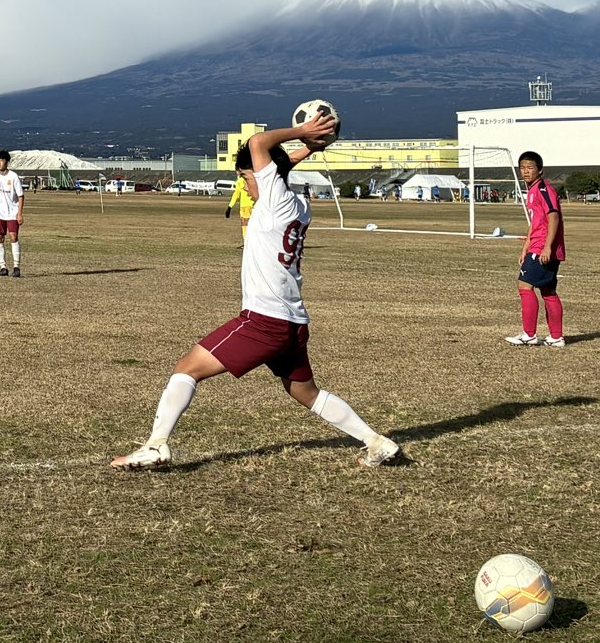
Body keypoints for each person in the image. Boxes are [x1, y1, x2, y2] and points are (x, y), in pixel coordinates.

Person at [113, 111, 400, 470]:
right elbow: (278, 167)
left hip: (264, 321)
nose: (246, 185)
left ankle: (156, 446)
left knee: (186, 368)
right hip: (293, 323)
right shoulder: (298, 205)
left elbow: (257, 143)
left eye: (246, 177)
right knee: (305, 392)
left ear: (263, 176)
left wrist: (302, 131)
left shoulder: (274, 200)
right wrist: (309, 149)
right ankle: (376, 442)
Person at [505, 150, 566, 348]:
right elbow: (535, 222)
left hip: (542, 247)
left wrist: (547, 247)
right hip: (537, 245)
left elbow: (553, 216)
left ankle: (529, 334)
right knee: (548, 290)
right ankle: (556, 337)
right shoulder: (532, 191)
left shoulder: (543, 189)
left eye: (530, 167)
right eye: (522, 167)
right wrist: (525, 247)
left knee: (524, 286)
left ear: (540, 170)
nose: (525, 171)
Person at [0, 151, 25, 277]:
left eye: (1, 160)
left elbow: (21, 196)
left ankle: (16, 267)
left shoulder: (13, 176)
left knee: (13, 237)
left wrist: (19, 213)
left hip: (12, 213)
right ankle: (3, 267)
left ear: (7, 162)